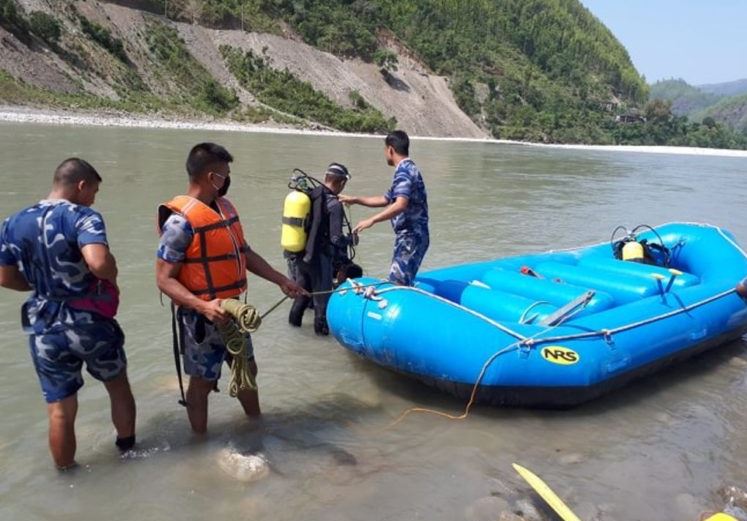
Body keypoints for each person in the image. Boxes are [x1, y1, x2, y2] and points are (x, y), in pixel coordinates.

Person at [155, 143, 305, 434]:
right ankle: (199, 444)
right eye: (225, 174)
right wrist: (203, 306)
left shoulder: (224, 210)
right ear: (211, 177)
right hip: (201, 319)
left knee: (247, 370)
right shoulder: (179, 223)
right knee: (202, 382)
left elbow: (244, 253)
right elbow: (164, 279)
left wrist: (281, 280)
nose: (227, 179)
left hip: (234, 313)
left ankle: (256, 427)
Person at [0, 158, 136, 470]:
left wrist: (41, 287)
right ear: (81, 185)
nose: (94, 198)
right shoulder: (83, 217)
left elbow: (5, 278)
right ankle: (128, 453)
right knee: (117, 386)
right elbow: (98, 262)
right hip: (89, 322)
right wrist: (110, 270)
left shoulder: (12, 222)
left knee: (60, 409)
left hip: (44, 326)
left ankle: (66, 474)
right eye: (94, 191)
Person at [339, 130, 429, 286]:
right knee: (403, 282)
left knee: (398, 284)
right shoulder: (410, 168)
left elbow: (400, 204)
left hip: (410, 237)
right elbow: (386, 199)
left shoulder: (404, 172)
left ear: (390, 150)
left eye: (385, 150)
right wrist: (356, 199)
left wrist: (372, 220)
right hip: (415, 236)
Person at [287, 163, 357, 335]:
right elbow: (335, 238)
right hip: (319, 259)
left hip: (302, 255)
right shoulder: (334, 204)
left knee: (301, 298)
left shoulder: (311, 194)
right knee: (321, 303)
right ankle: (321, 337)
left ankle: (292, 331)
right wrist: (351, 240)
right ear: (341, 182)